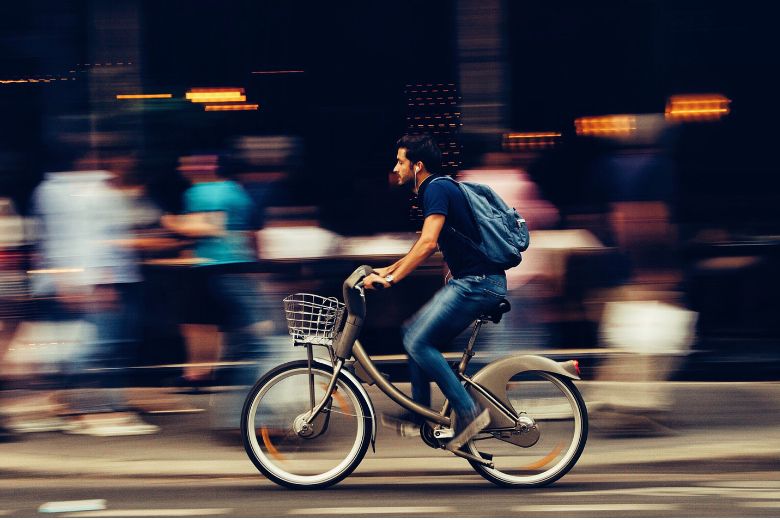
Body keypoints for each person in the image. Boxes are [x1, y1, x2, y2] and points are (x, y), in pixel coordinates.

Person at [362, 134, 507, 450]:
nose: (396, 167)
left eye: (400, 161)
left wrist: (392, 280)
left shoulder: (436, 188)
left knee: (417, 340)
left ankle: (469, 412)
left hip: (478, 283)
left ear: (418, 166)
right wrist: (388, 270)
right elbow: (426, 247)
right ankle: (421, 413)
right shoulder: (438, 188)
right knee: (411, 331)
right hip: (471, 281)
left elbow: (427, 243)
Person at [161, 153, 270, 435]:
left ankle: (240, 414)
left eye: (186, 163)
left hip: (215, 270)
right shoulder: (236, 190)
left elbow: (208, 227)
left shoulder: (202, 192)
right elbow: (249, 234)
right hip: (237, 269)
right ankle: (243, 414)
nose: (181, 168)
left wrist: (169, 222)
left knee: (253, 342)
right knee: (248, 339)